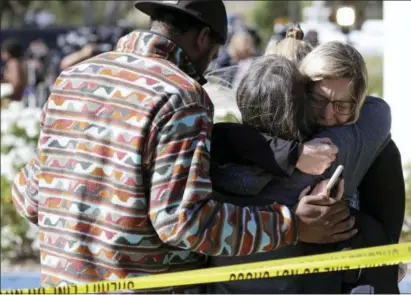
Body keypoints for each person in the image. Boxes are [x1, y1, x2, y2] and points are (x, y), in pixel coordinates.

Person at [10, 1, 354, 293]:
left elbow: (28, 195)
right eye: (215, 54)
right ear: (203, 39)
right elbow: (184, 223)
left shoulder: (73, 79)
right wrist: (292, 224)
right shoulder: (180, 95)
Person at [208, 31, 403, 293]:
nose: (327, 114)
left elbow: (219, 135)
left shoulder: (215, 172)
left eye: (342, 105)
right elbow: (379, 111)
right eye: (318, 100)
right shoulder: (337, 149)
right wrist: (294, 154)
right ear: (300, 94)